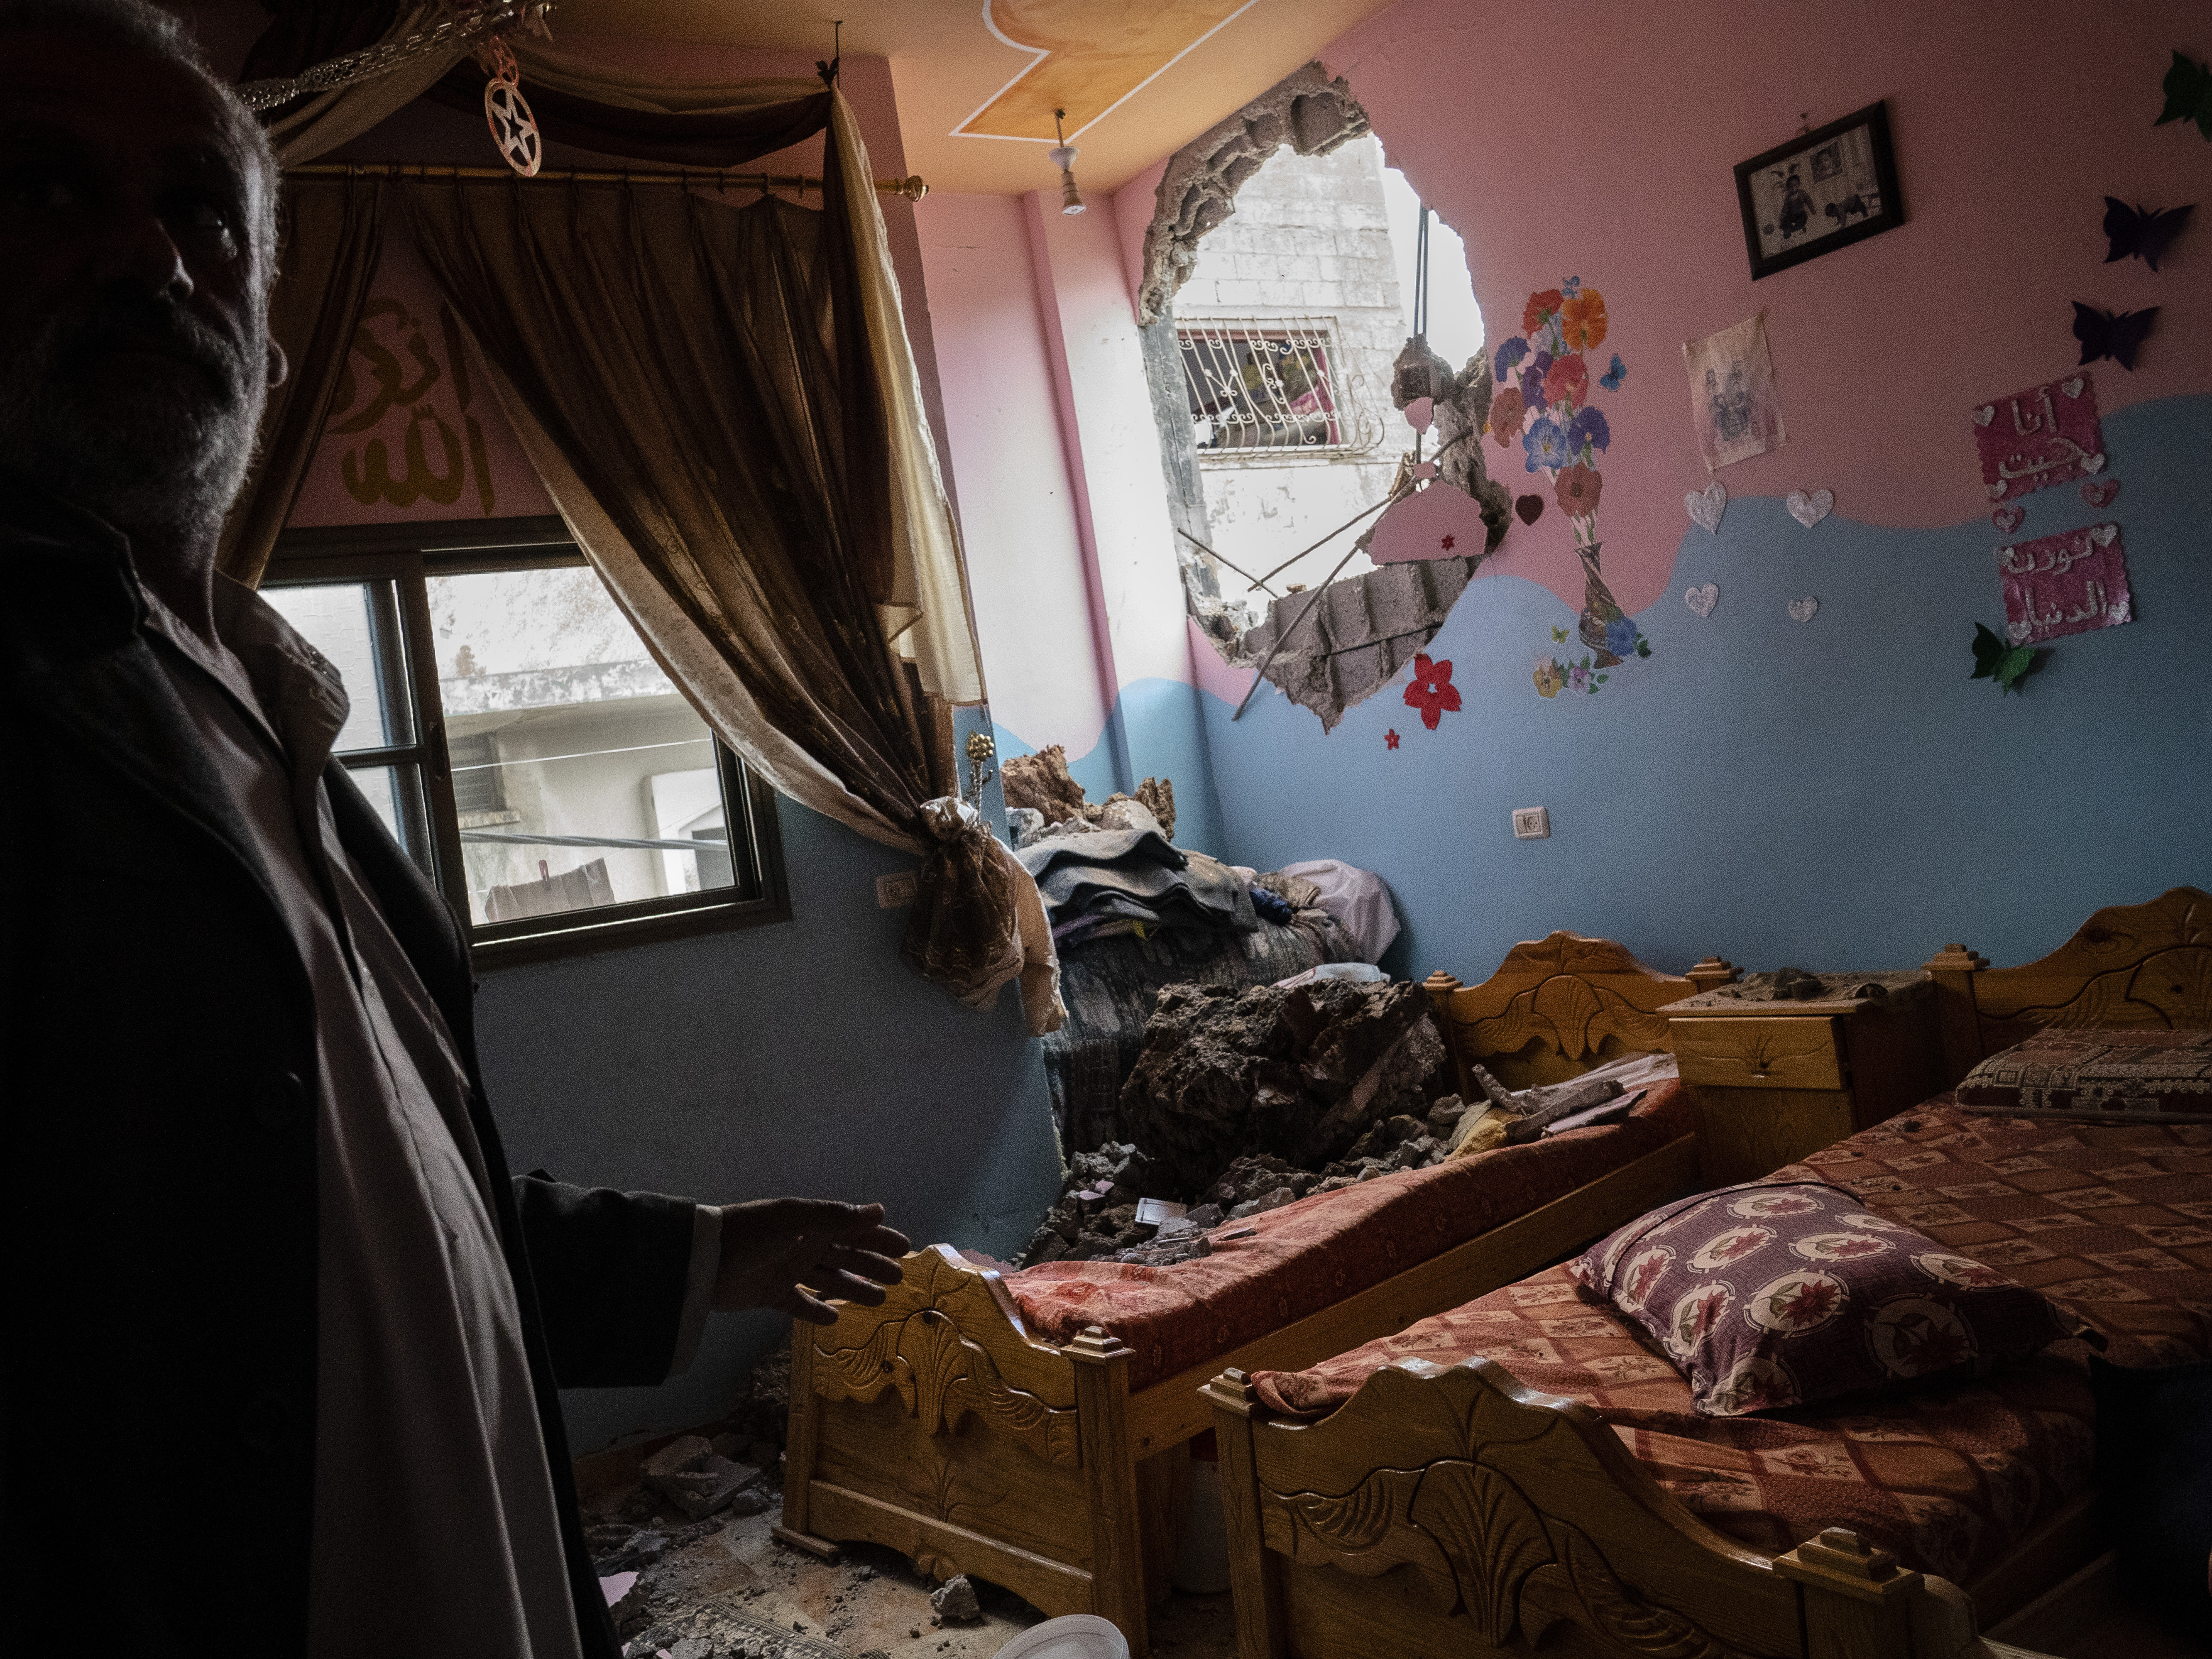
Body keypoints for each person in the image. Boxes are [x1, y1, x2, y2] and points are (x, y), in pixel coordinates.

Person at [0, 4, 907, 1654]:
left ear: (265, 318)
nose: (149, 249)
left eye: (204, 208)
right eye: (47, 193)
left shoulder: (272, 722)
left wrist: (725, 1253)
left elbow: (384, 1221)